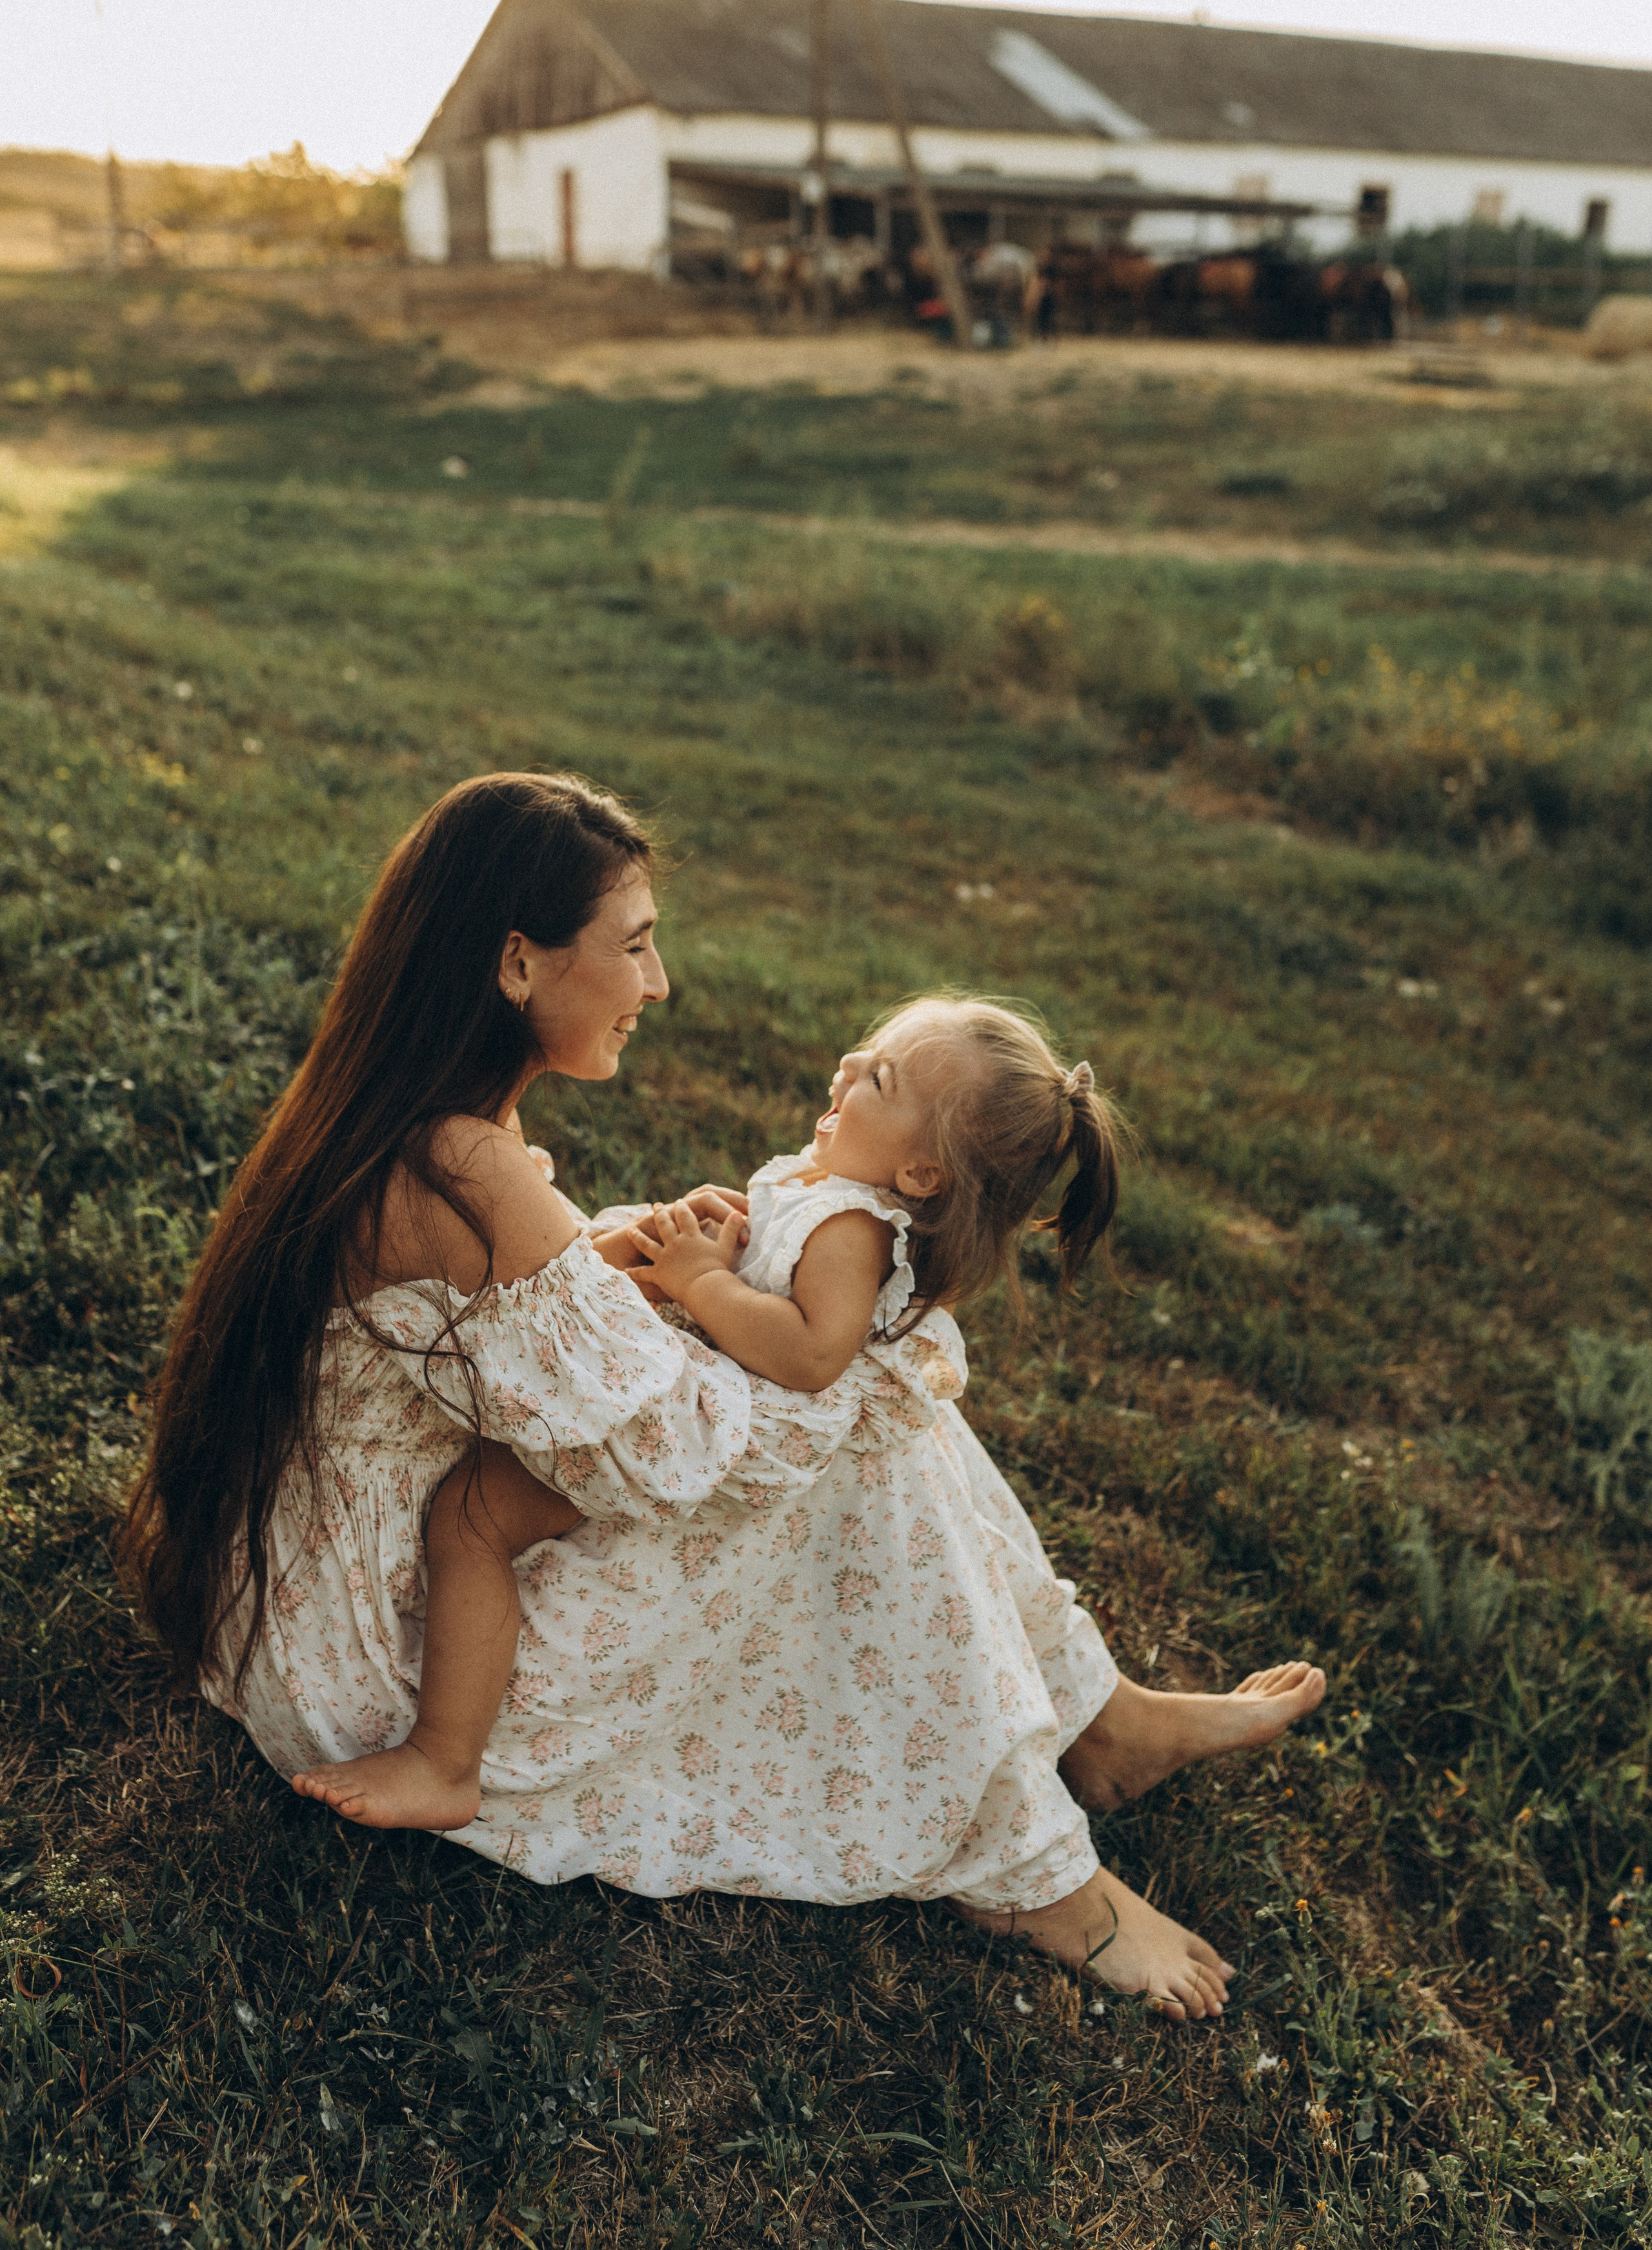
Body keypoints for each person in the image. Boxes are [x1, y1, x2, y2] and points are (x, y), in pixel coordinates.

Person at [125, 773, 1325, 2019]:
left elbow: (489, 1319)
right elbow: (671, 1456)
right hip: (386, 1657)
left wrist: (642, 1272)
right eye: (634, 946)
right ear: (519, 963)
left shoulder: (417, 1117)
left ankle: (1098, 1715)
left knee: (854, 1390)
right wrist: (808, 1346)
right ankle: (1036, 1870)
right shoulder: (466, 1164)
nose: (658, 985)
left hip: (329, 1564)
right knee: (862, 1424)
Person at [290, 995, 1116, 1834]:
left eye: (880, 1079)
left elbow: (810, 1353)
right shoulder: (828, 1193)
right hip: (687, 1389)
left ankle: (442, 1760)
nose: (846, 1071)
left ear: (922, 1177)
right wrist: (710, 1254)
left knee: (472, 1518)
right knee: (472, 1512)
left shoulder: (854, 1229)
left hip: (702, 1430)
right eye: (864, 1052)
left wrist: (701, 1283)